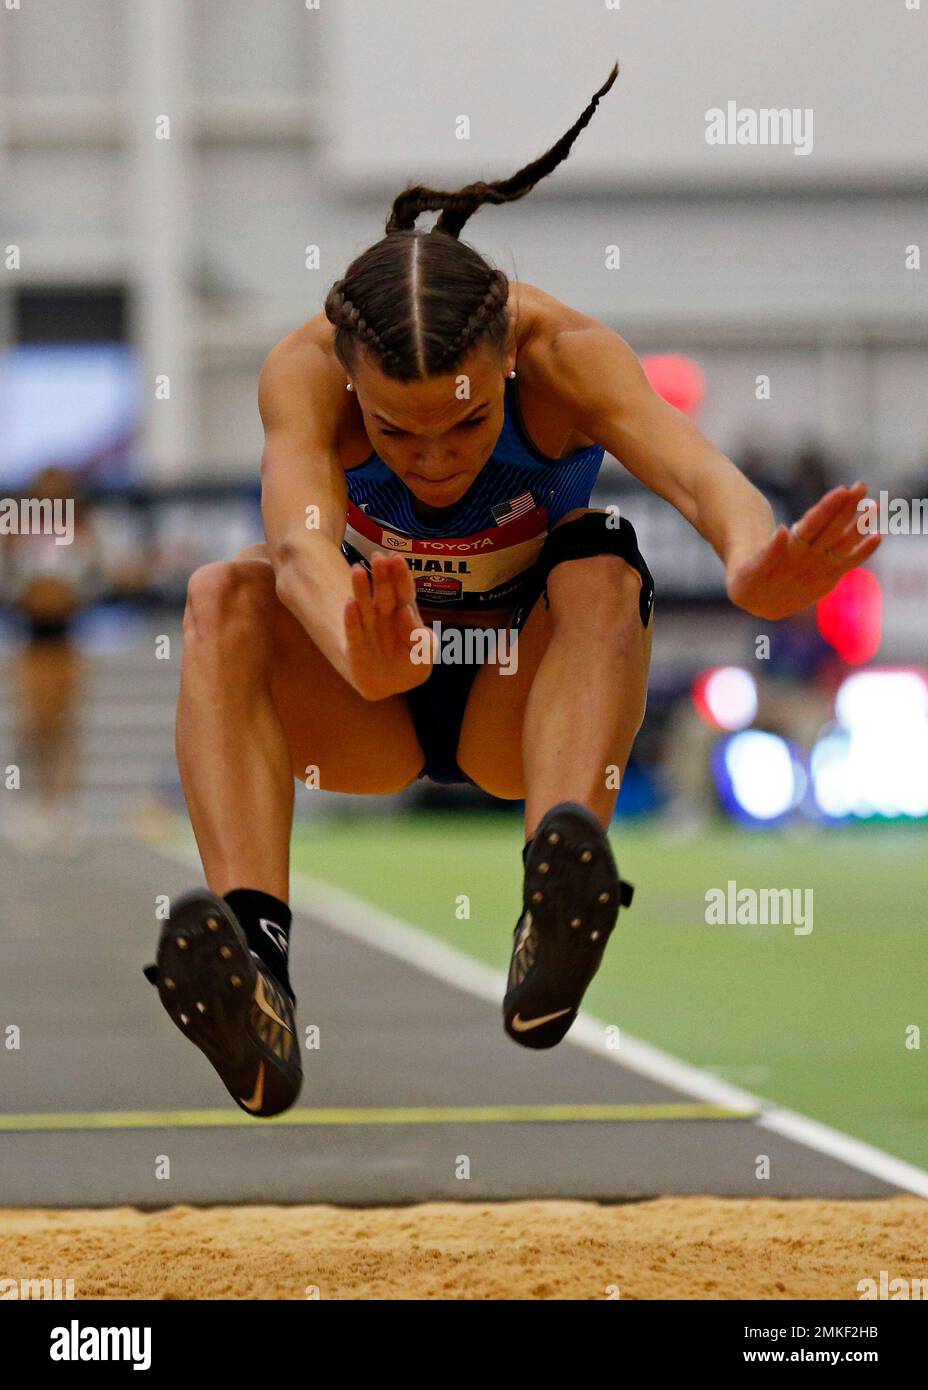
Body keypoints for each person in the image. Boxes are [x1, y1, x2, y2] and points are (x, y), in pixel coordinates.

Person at [144, 65, 881, 1116]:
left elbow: (702, 478)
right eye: (397, 432)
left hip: (519, 708)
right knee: (224, 592)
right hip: (368, 705)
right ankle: (259, 976)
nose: (435, 460)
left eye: (470, 424)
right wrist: (355, 648)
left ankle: (555, 896)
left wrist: (756, 561)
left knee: (601, 551)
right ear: (352, 379)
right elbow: (301, 547)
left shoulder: (569, 356)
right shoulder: (300, 375)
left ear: (508, 368)